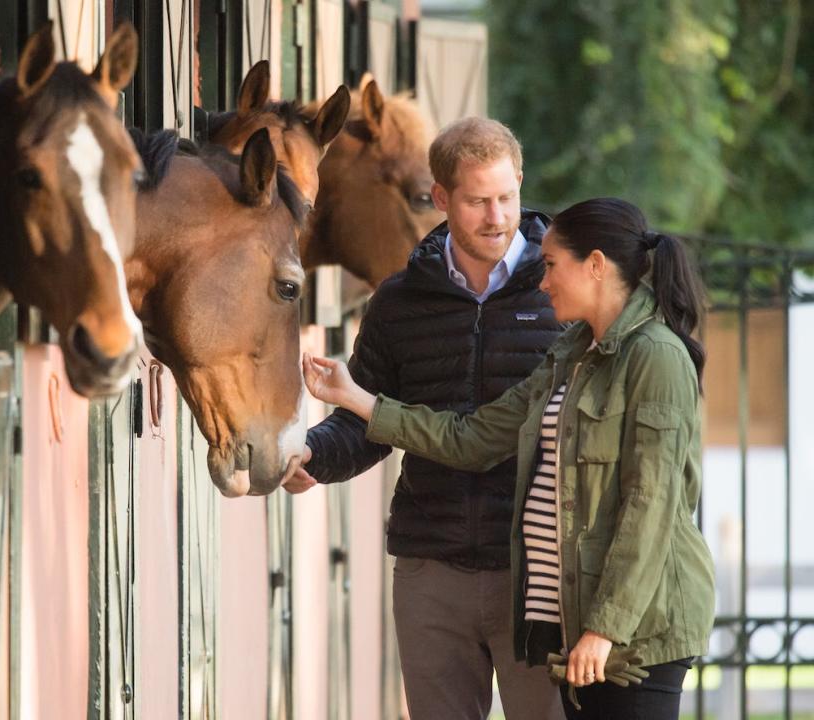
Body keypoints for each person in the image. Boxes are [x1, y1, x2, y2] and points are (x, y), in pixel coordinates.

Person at [301, 197, 716, 720]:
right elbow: (472, 438)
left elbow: (650, 506)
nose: (542, 284)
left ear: (595, 264)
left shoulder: (655, 355)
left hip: (635, 632)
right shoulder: (571, 354)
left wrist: (605, 629)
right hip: (578, 627)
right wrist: (356, 398)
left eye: (550, 266)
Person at [285, 117, 566, 719]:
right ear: (441, 198)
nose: (496, 217)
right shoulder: (398, 301)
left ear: (520, 182)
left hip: (538, 573)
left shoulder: (560, 291)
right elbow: (366, 415)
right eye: (476, 202)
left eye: (506, 197)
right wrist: (315, 453)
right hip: (431, 569)